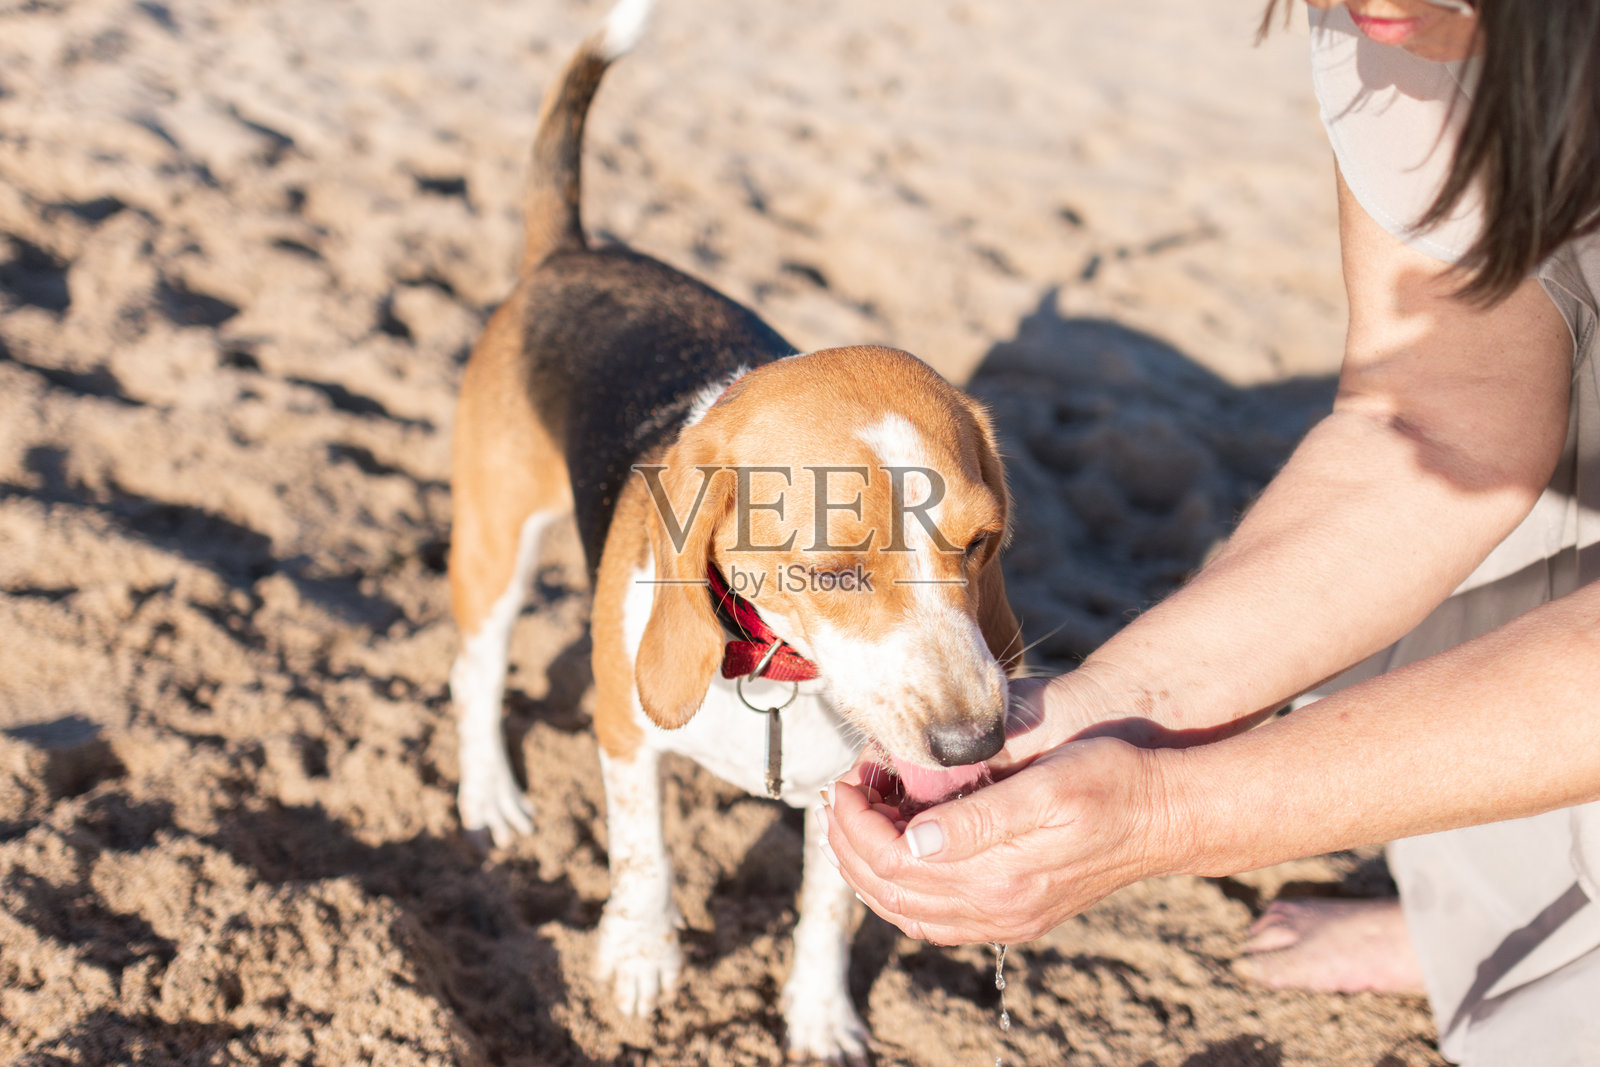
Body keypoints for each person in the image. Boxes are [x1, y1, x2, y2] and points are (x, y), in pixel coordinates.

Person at [819, 1, 1600, 1062]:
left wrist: (1179, 813)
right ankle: (1481, 917)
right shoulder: (1405, 20)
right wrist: (1108, 713)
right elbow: (1442, 422)